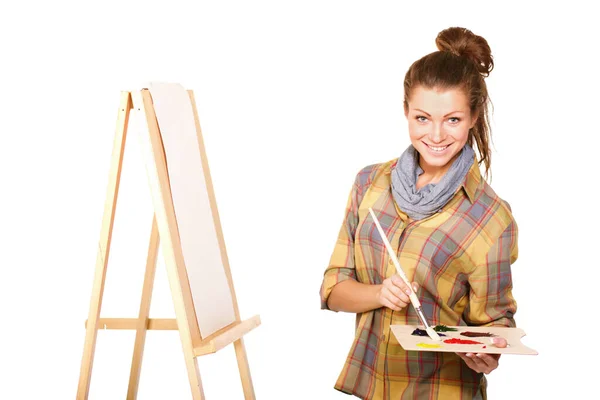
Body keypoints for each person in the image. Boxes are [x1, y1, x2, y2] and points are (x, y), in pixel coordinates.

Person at [319, 27, 518, 400]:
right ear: (406, 112)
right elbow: (333, 290)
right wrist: (380, 292)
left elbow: (495, 323)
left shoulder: (491, 218)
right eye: (423, 118)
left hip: (442, 390)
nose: (437, 135)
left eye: (453, 119)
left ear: (474, 117)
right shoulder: (370, 184)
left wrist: (488, 351)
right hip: (373, 387)